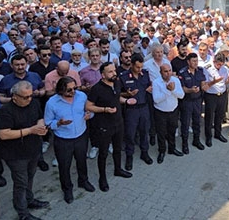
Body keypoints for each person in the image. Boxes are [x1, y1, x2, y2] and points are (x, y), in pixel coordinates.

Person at [0, 81, 50, 220]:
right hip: (16, 154)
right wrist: (30, 130)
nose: (29, 99)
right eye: (25, 97)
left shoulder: (33, 103)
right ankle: (22, 212)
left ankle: (29, 199)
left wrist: (40, 127)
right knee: (21, 182)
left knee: (30, 177)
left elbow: (40, 118)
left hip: (33, 149)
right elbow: (4, 134)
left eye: (30, 96)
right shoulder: (5, 111)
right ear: (14, 96)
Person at [45, 76, 95, 203]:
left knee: (82, 161)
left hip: (81, 135)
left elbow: (89, 110)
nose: (73, 92)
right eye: (69, 90)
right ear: (61, 91)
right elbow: (48, 123)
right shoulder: (52, 103)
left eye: (75, 88)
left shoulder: (81, 96)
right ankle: (67, 189)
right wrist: (59, 123)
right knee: (64, 166)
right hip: (63, 139)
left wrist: (90, 115)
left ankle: (83, 181)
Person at [85, 62, 133, 192]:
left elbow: (117, 99)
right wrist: (104, 109)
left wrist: (127, 101)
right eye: (110, 72)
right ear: (103, 75)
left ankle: (118, 169)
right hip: (104, 125)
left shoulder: (117, 83)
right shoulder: (97, 89)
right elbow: (88, 106)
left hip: (118, 122)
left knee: (117, 149)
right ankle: (102, 178)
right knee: (103, 153)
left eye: (114, 71)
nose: (114, 73)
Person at [119, 53, 154, 170]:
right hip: (131, 110)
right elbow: (118, 93)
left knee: (144, 131)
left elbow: (149, 86)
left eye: (141, 67)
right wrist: (127, 94)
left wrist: (150, 89)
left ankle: (145, 152)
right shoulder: (124, 76)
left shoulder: (145, 74)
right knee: (130, 133)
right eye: (137, 67)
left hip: (144, 107)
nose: (139, 69)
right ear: (132, 65)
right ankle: (129, 156)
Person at [151, 63, 185, 163]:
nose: (168, 73)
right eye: (165, 71)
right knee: (161, 133)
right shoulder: (156, 82)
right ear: (160, 72)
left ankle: (172, 148)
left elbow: (181, 95)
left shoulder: (176, 80)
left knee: (172, 131)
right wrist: (168, 90)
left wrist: (173, 89)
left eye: (169, 70)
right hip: (160, 112)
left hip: (173, 111)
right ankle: (162, 151)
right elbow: (156, 99)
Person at [178, 53, 206, 153]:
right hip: (187, 101)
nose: (195, 63)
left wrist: (206, 86)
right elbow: (182, 88)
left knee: (197, 122)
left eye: (196, 61)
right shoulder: (182, 72)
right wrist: (191, 90)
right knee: (185, 123)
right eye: (193, 61)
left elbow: (203, 83)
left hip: (197, 100)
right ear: (188, 62)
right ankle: (184, 144)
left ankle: (196, 140)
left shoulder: (200, 71)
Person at [202, 52, 229, 146]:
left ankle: (218, 133)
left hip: (222, 94)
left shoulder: (225, 69)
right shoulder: (207, 69)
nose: (219, 66)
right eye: (218, 64)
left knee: (219, 116)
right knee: (209, 117)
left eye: (221, 64)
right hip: (211, 95)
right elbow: (205, 86)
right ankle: (208, 137)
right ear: (214, 61)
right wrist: (213, 82)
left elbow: (225, 81)